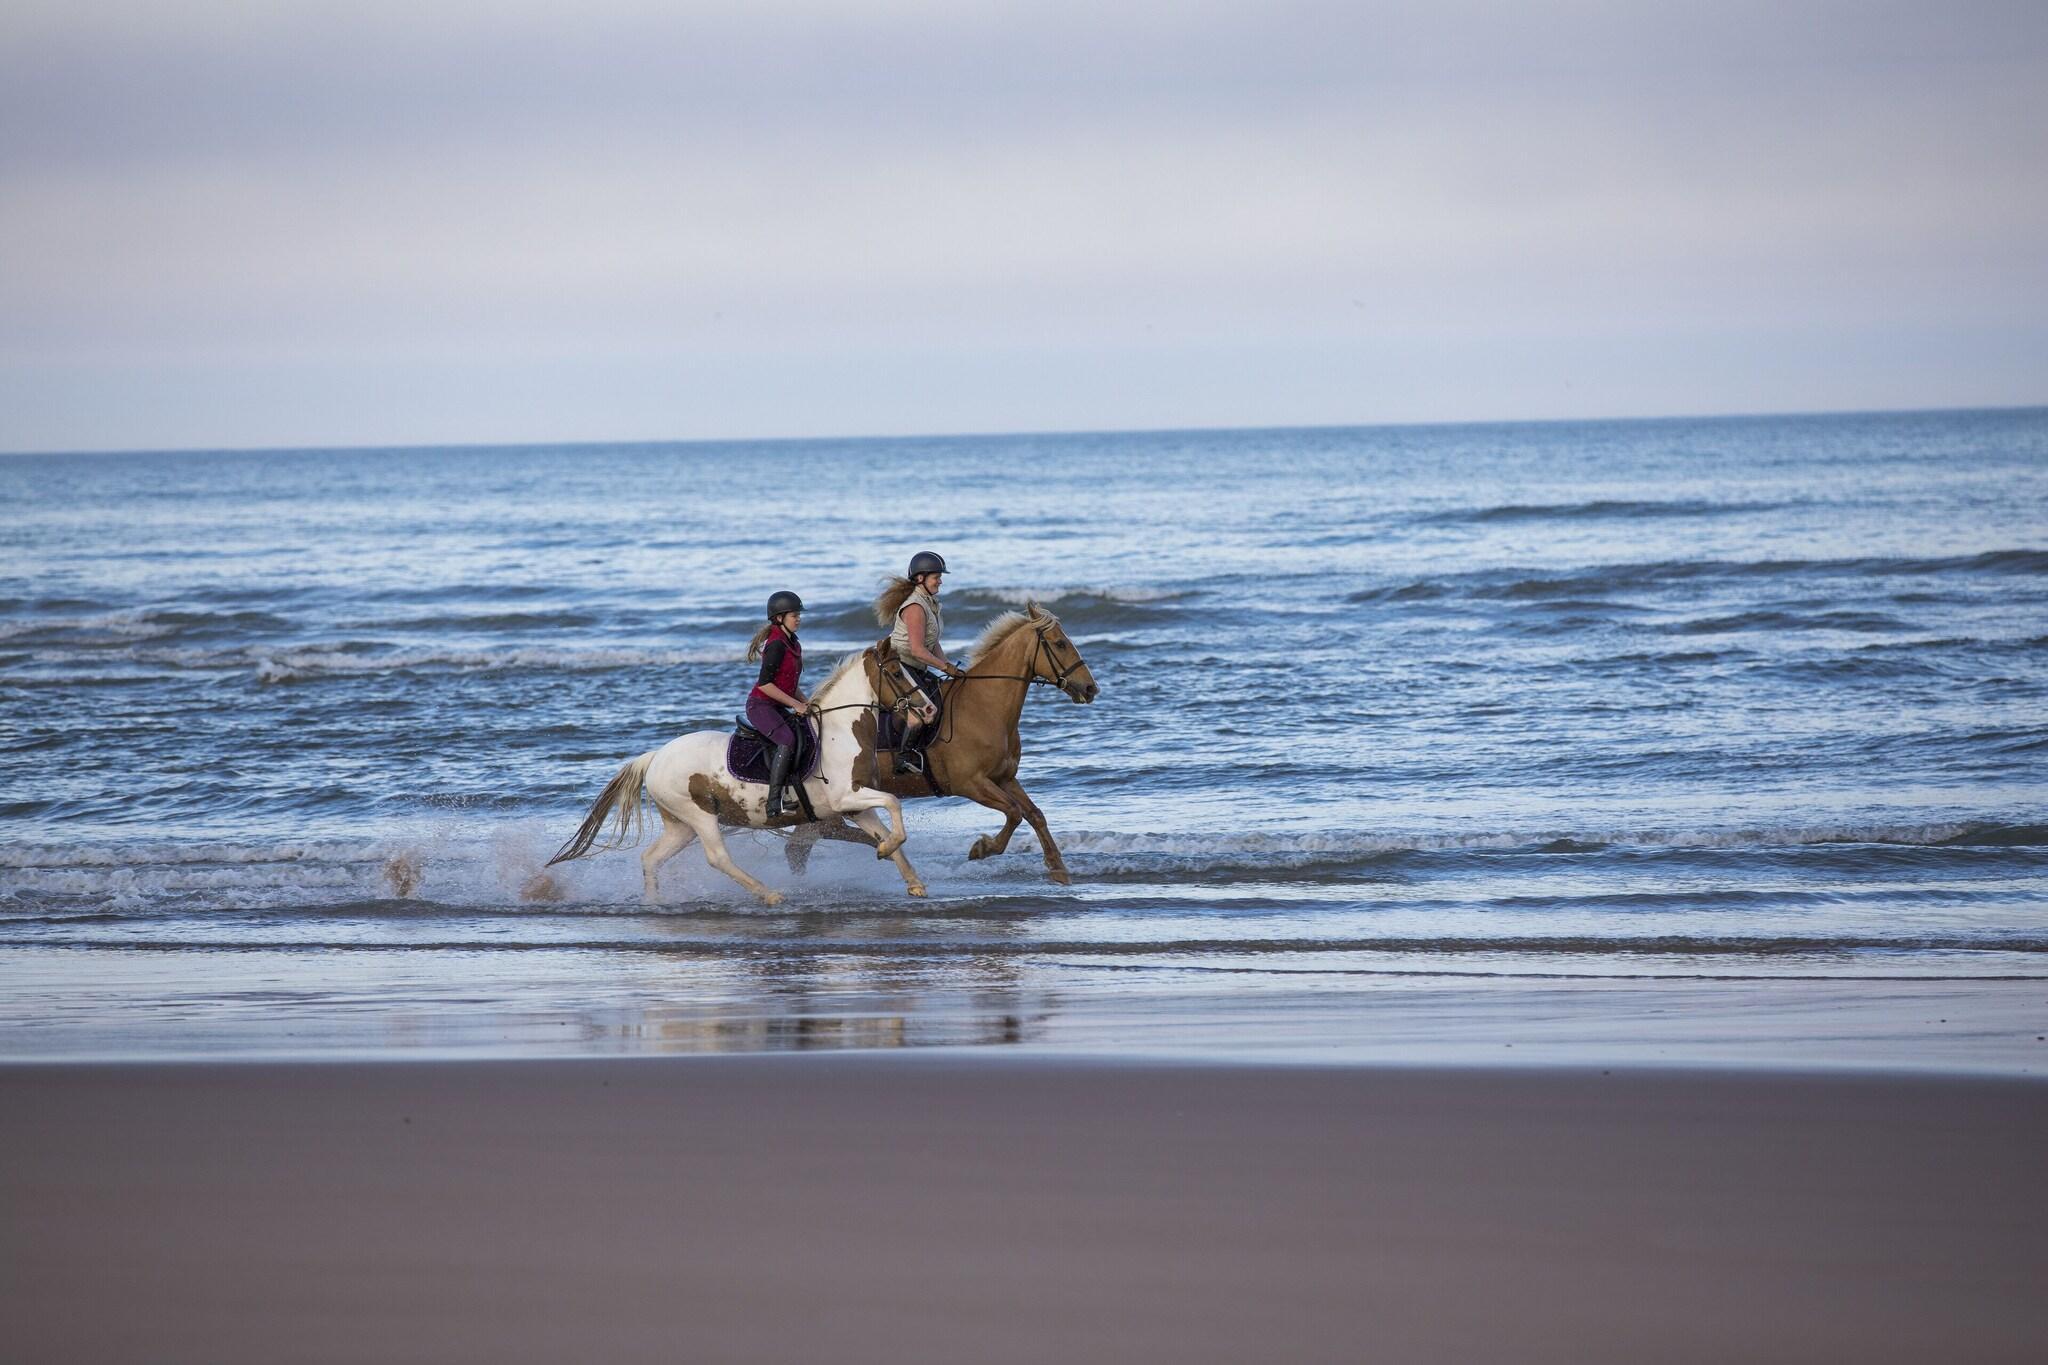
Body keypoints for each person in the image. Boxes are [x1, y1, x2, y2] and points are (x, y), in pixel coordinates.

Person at [873, 550, 967, 774]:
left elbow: (932, 642)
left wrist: (948, 667)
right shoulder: (915, 607)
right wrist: (945, 667)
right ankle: (904, 757)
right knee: (923, 712)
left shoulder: (930, 603)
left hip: (915, 666)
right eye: (936, 577)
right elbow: (917, 650)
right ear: (920, 578)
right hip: (900, 667)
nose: (940, 581)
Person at [745, 590, 816, 817]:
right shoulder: (776, 644)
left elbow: (788, 683)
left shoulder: (793, 642)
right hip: (760, 706)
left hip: (777, 704)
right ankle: (774, 802)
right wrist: (795, 705)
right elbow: (765, 685)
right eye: (794, 615)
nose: (798, 619)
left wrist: (808, 702)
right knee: (787, 739)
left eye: (798, 615)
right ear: (779, 618)